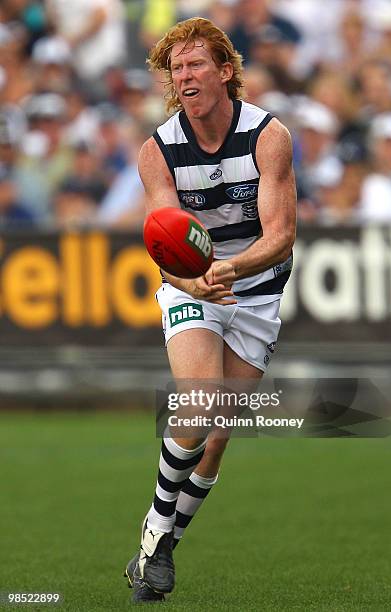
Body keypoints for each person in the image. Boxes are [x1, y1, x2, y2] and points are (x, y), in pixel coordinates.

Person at [124, 17, 296, 604]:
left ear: (226, 72)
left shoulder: (269, 136)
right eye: (176, 68)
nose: (184, 76)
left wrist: (232, 269)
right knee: (201, 401)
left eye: (196, 65)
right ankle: (154, 537)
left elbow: (281, 235)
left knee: (218, 437)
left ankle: (162, 545)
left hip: (254, 286)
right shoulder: (159, 150)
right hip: (193, 287)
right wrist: (192, 280)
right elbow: (162, 245)